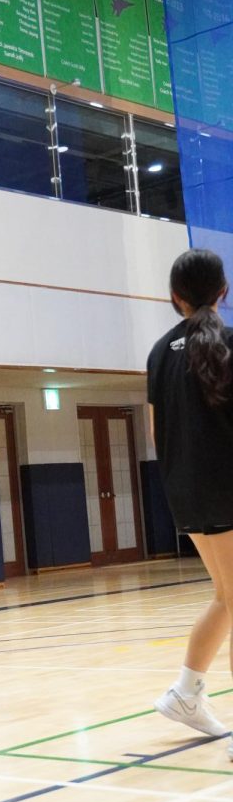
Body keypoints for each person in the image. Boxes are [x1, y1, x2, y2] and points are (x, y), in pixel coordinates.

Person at [147, 248, 232, 746]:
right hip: (225, 487)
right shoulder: (228, 341)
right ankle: (185, 693)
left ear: (175, 297)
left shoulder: (159, 351)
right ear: (224, 291)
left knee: (227, 597)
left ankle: (186, 693)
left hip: (186, 492)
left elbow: (159, 433)